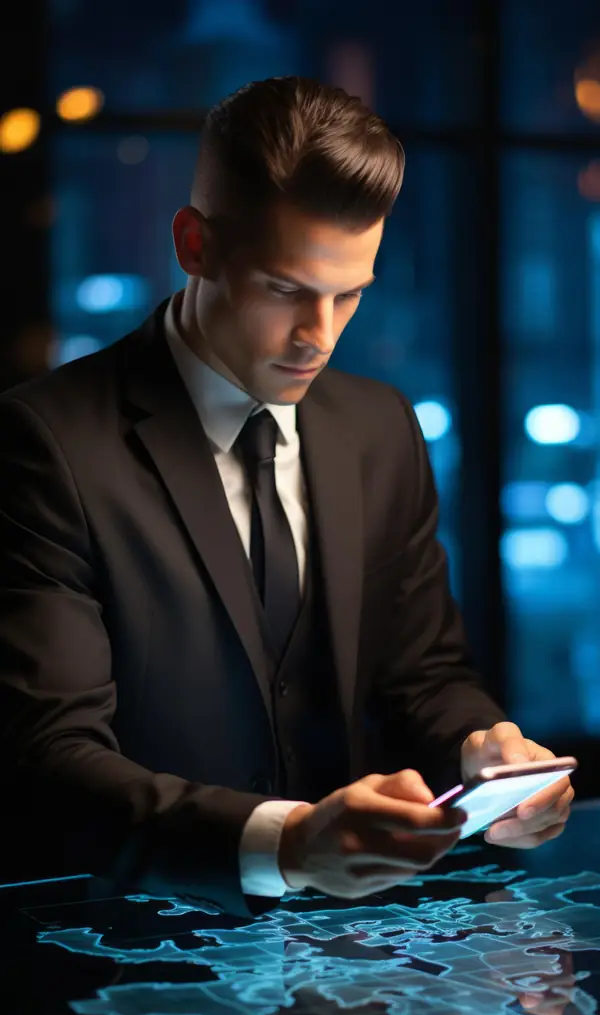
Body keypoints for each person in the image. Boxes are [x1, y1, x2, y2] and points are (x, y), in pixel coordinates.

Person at [0, 76, 573, 921]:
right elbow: (48, 757)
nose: (320, 335)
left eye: (350, 293)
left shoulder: (381, 427)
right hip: (126, 946)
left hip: (355, 948)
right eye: (285, 289)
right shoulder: (46, 442)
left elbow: (422, 673)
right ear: (194, 244)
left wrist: (486, 755)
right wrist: (286, 842)